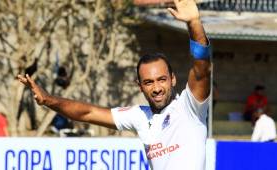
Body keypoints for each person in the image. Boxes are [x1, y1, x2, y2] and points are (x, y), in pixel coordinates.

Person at [17, 0, 211, 169]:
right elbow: (88, 113)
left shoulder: (190, 108)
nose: (157, 88)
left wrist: (194, 23)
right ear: (139, 86)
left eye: (162, 80)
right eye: (149, 82)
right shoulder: (140, 116)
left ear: (173, 79)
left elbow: (202, 69)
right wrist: (48, 100)